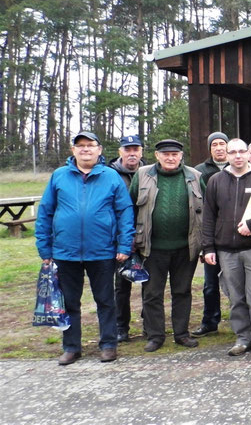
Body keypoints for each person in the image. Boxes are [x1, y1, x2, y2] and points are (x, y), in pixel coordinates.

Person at [36, 131, 134, 365]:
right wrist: (45, 249)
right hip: (65, 251)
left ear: (99, 150)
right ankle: (71, 347)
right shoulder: (59, 176)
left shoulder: (111, 177)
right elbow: (45, 212)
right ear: (73, 151)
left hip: (102, 250)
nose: (85, 149)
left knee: (105, 300)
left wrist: (124, 244)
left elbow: (125, 212)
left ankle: (109, 344)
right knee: (70, 301)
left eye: (90, 145)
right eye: (80, 146)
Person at [201, 139, 251, 356]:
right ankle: (242, 338)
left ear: (248, 154)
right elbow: (208, 217)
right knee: (236, 298)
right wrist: (208, 247)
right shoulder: (216, 181)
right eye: (232, 152)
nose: (237, 156)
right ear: (226, 155)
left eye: (241, 151)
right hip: (226, 250)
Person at [130, 139, 204, 353]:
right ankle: (155, 336)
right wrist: (132, 239)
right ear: (157, 156)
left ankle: (181, 334)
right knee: (152, 293)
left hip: (185, 246)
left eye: (175, 154)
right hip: (152, 247)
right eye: (166, 154)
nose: (170, 158)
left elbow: (206, 208)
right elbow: (131, 207)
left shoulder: (195, 177)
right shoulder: (143, 175)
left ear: (181, 156)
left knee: (182, 291)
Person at [193, 131, 230, 338]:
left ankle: (241, 320)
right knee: (210, 284)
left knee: (237, 283)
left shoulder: (238, 169)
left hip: (232, 235)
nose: (218, 147)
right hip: (210, 236)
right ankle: (210, 321)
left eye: (221, 144)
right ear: (210, 148)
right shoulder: (199, 172)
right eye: (214, 144)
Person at [108, 134, 144, 343]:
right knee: (122, 286)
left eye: (135, 149)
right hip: (120, 238)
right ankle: (121, 326)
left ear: (141, 151)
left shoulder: (150, 172)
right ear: (120, 152)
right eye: (127, 149)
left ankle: (149, 322)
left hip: (147, 236)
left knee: (150, 283)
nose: (132, 153)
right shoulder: (111, 174)